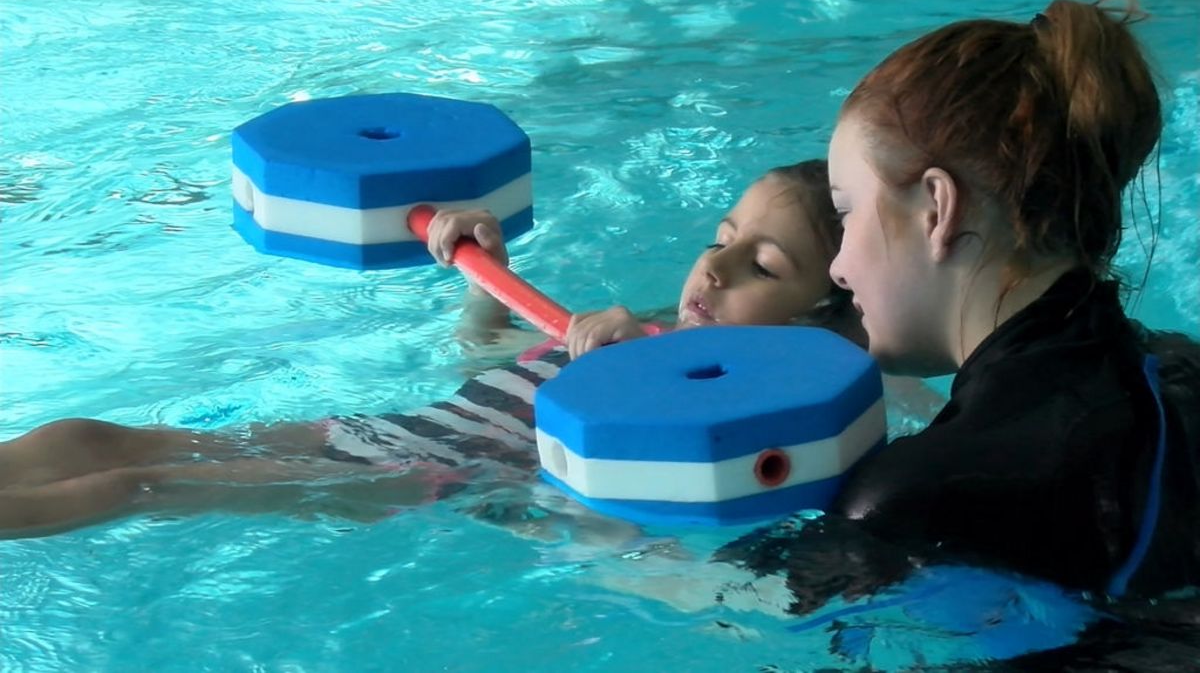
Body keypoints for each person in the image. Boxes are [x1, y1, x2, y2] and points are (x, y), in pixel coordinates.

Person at [0, 159, 869, 539]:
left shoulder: (762, 427)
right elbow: (473, 361)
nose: (711, 268)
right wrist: (479, 274)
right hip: (379, 428)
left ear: (816, 326)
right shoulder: (642, 328)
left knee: (135, 484)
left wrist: (620, 384)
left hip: (422, 477)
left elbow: (608, 518)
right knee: (91, 434)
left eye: (759, 265)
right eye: (719, 237)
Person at [722, 0, 1198, 599]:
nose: (838, 269)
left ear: (936, 210)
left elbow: (735, 620)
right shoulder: (1177, 375)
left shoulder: (915, 501)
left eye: (846, 214)